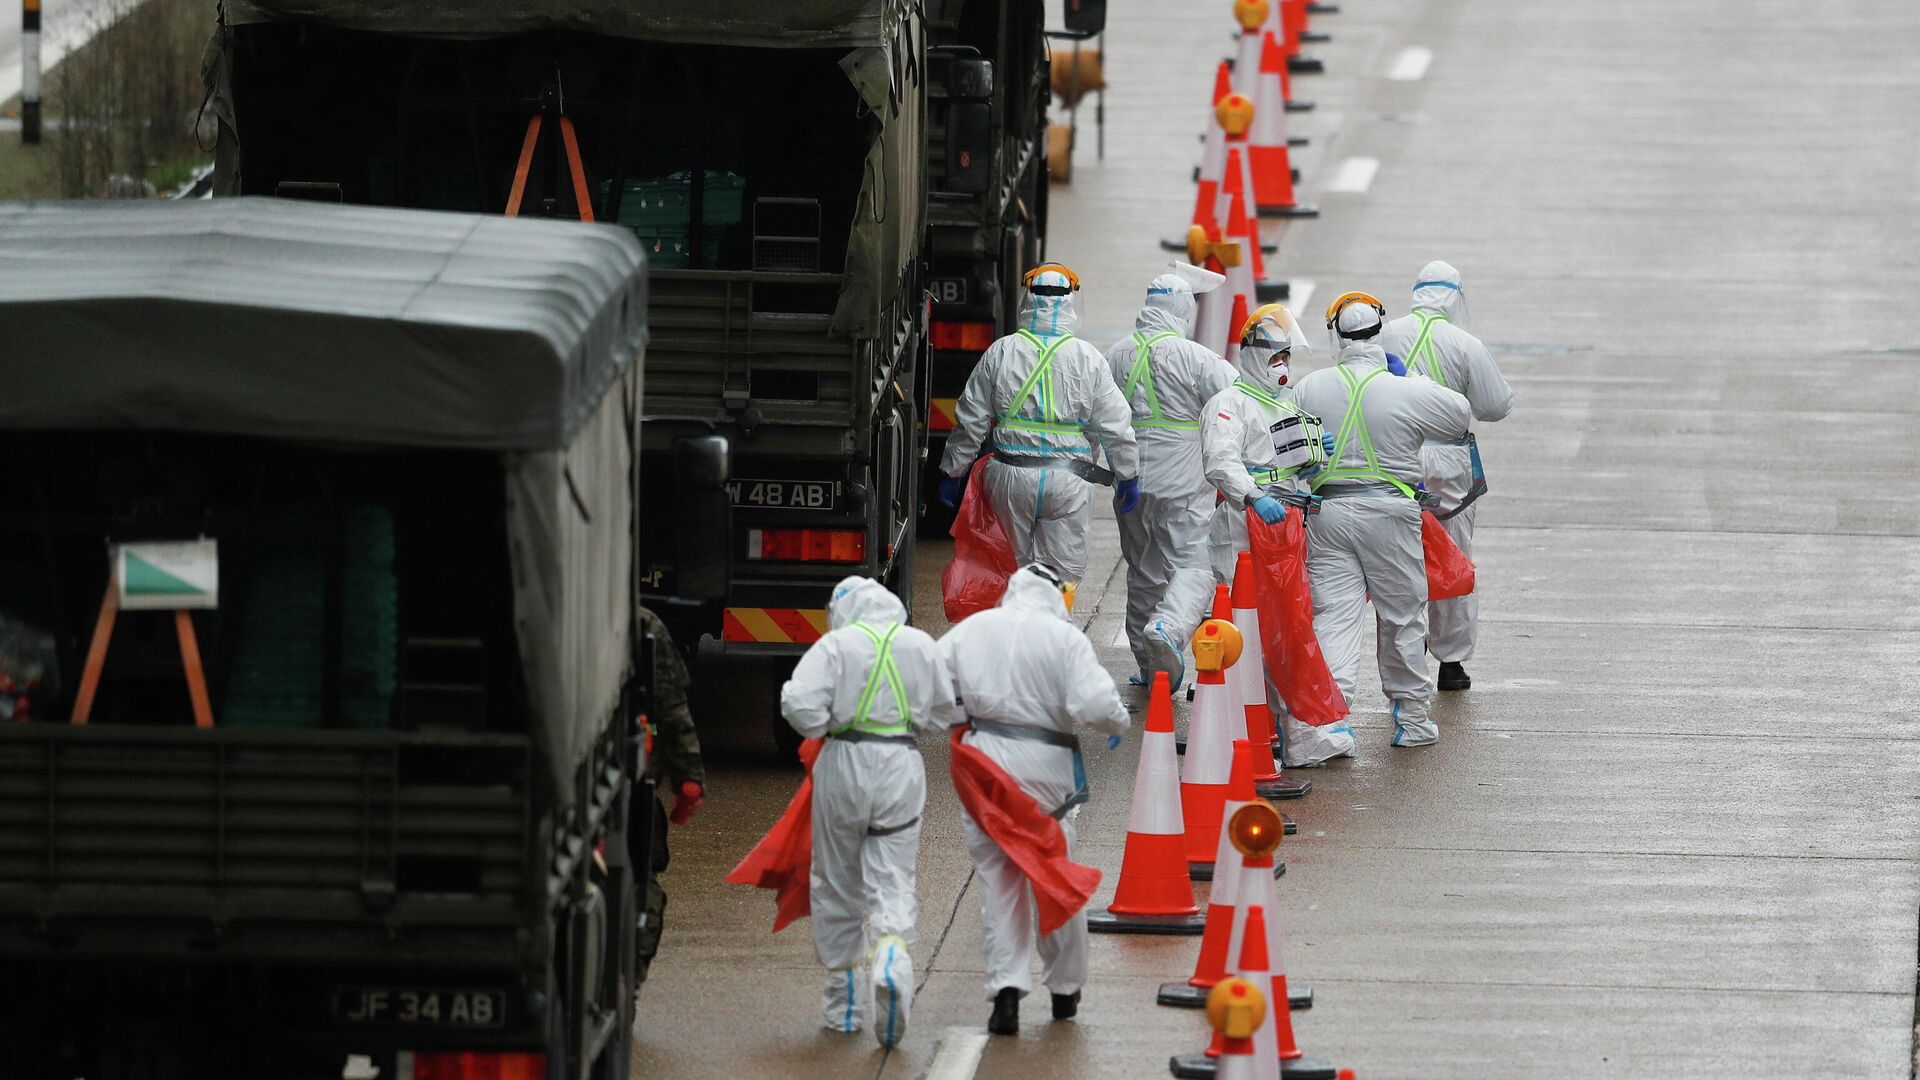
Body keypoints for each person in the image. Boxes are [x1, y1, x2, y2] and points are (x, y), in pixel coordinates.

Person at [941, 564, 1130, 1036]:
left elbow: (929, 694)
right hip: (1048, 774)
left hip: (984, 771)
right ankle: (1065, 989)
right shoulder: (1064, 639)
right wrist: (1118, 725)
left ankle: (1005, 990)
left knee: (998, 882)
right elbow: (1094, 707)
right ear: (1054, 595)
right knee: (1053, 874)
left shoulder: (972, 631)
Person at [778, 577, 958, 1048]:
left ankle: (844, 1010)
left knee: (837, 883)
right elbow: (946, 711)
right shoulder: (920, 644)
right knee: (893, 877)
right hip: (900, 764)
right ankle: (892, 959)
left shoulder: (835, 646)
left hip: (843, 764)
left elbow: (798, 704)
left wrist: (824, 724)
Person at [1291, 294, 1471, 748]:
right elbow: (1458, 415)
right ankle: (1412, 722)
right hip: (1390, 513)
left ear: (1336, 335)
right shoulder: (1403, 388)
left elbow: (1288, 440)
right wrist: (1405, 374)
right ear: (1380, 334)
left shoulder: (1312, 387)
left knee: (1333, 618)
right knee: (1402, 617)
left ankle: (1326, 726)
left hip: (1326, 514)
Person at [1199, 303, 1356, 767]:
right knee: (1251, 629)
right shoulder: (1228, 404)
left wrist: (1314, 456)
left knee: (1285, 627)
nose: (1282, 368)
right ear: (1250, 357)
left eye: (1285, 358)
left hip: (1284, 526)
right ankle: (1253, 728)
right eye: (1273, 359)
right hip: (1245, 531)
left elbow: (1289, 467)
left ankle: (1278, 727)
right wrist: (1252, 497)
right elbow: (1221, 464)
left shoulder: (1284, 404)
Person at [936, 264, 1142, 585]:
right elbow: (1115, 425)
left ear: (1027, 299)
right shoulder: (1088, 358)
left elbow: (970, 419)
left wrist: (953, 470)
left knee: (1009, 576)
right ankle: (1055, 631)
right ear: (1070, 302)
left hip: (1009, 478)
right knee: (1062, 579)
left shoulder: (1001, 352)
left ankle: (1016, 633)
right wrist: (1128, 474)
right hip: (1069, 480)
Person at [1380, 261, 1514, 691]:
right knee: (1454, 555)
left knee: (1397, 556)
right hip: (1448, 466)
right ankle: (1451, 662)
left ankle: (1404, 650)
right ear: (1455, 298)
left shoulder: (1384, 334)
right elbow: (1495, 405)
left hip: (1394, 454)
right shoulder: (1465, 343)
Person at [1103, 267, 1238, 688]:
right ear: (1183, 309)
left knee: (1142, 569)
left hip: (1130, 481)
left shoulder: (1116, 353)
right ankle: (1170, 629)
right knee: (1194, 567)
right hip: (1183, 483)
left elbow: (1099, 413)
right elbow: (1238, 400)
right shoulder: (1195, 357)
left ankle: (1148, 666)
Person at [634, 607, 705, 984]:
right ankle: (627, 981)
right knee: (641, 886)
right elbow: (671, 706)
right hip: (620, 785)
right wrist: (688, 779)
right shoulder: (639, 622)